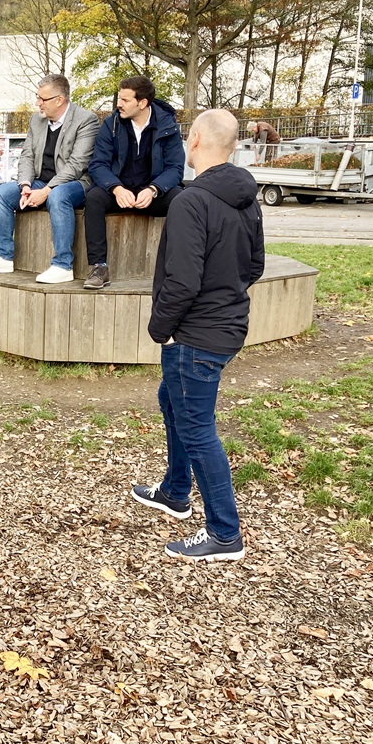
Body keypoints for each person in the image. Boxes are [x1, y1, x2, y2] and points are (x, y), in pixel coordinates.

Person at [131, 109, 265, 562]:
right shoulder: (247, 196)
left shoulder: (192, 201)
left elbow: (182, 281)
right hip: (224, 326)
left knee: (197, 427)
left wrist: (161, 329)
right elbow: (255, 267)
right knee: (172, 400)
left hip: (195, 336)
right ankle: (174, 491)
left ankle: (225, 534)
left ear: (195, 142)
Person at [0, 74, 99, 283]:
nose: (37, 103)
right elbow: (27, 156)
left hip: (76, 183)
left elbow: (77, 165)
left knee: (57, 196)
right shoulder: (37, 119)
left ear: (59, 100)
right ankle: (2, 257)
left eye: (43, 99)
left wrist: (46, 191)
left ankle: (62, 265)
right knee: (3, 193)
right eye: (37, 97)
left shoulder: (86, 120)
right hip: (40, 181)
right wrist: (25, 185)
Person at [82, 75, 185, 290]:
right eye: (119, 98)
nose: (118, 104)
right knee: (93, 198)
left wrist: (154, 189)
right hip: (119, 190)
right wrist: (116, 188)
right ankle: (99, 267)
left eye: (125, 100)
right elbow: (98, 164)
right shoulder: (111, 124)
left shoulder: (168, 126)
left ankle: (176, 267)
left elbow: (175, 168)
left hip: (153, 193)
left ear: (143, 103)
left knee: (181, 200)